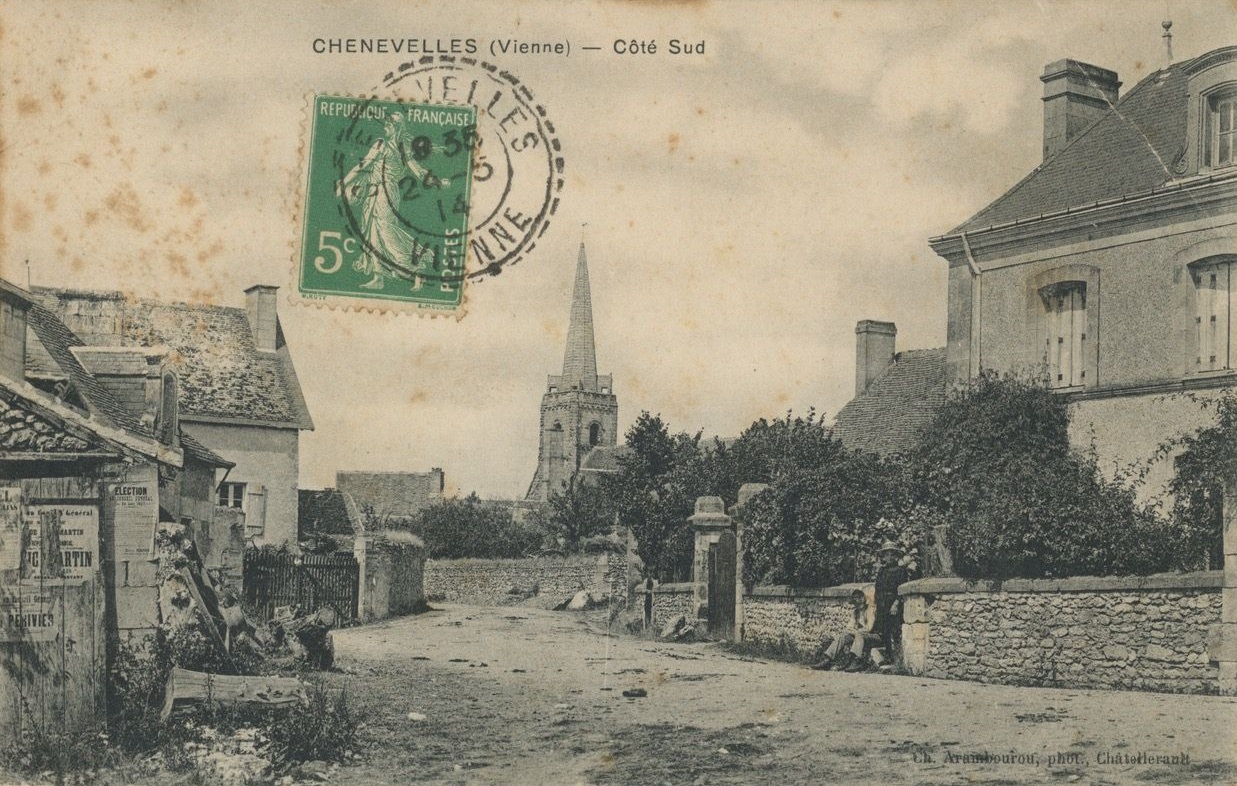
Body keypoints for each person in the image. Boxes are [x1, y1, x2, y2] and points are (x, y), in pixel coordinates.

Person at [810, 588, 888, 672]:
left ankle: (856, 661)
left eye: (859, 602)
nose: (858, 605)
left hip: (875, 636)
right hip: (859, 636)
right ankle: (827, 659)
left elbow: (869, 628)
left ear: (863, 601)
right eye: (856, 603)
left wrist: (855, 630)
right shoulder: (855, 612)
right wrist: (853, 630)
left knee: (859, 634)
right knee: (843, 636)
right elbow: (849, 627)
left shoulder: (869, 611)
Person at [873, 540, 910, 663]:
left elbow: (901, 589)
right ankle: (889, 657)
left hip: (893, 604)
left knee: (895, 630)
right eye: (886, 555)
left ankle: (898, 659)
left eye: (891, 554)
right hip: (882, 604)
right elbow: (877, 588)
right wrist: (876, 605)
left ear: (896, 556)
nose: (889, 557)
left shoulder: (900, 571)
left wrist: (896, 604)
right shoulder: (881, 571)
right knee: (885, 631)